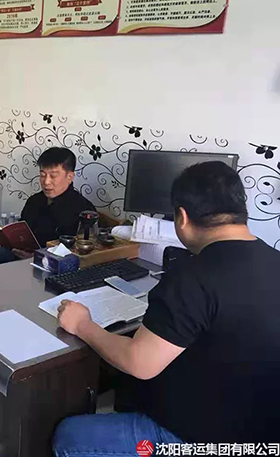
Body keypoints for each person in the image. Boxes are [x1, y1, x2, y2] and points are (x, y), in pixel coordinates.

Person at [53, 161, 280, 450]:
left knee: (70, 436)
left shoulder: (192, 278)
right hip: (262, 430)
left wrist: (82, 324)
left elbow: (139, 363)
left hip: (200, 438)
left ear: (181, 217)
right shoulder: (274, 260)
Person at [0, 147, 95, 274]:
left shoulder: (83, 210)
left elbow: (82, 257)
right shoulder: (35, 201)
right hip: (17, 256)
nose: (46, 182)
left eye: (53, 176)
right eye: (42, 175)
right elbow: (21, 231)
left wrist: (38, 258)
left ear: (69, 176)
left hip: (49, 268)